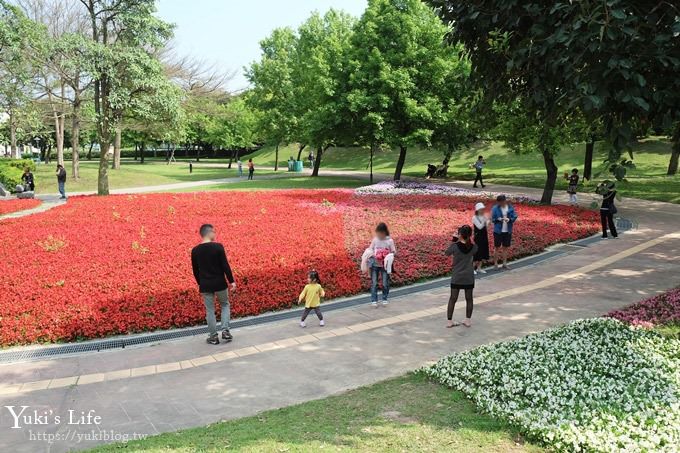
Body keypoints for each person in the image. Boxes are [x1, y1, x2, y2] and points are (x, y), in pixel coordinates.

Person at [191, 224, 237, 345]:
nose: (215, 234)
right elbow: (225, 266)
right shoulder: (218, 247)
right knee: (225, 305)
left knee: (210, 310)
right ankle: (225, 331)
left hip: (205, 285)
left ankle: (213, 337)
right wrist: (231, 281)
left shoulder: (195, 250)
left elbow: (195, 271)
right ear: (210, 233)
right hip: (220, 283)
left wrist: (201, 283)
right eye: (214, 232)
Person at [445, 225, 478, 328]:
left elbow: (446, 253)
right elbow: (476, 253)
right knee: (469, 299)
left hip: (457, 276)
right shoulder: (474, 247)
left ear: (460, 235)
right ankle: (467, 320)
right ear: (470, 235)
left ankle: (449, 322)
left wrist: (454, 240)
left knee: (453, 299)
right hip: (468, 277)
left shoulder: (455, 246)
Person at [368, 222, 396, 307]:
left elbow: (394, 251)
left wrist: (389, 254)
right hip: (375, 264)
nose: (379, 235)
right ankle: (374, 300)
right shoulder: (375, 240)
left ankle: (384, 298)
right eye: (378, 233)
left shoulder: (389, 240)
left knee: (385, 283)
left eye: (381, 233)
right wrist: (373, 254)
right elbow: (370, 249)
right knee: (374, 283)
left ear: (384, 232)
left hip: (385, 265)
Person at [491, 195, 518, 269]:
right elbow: (492, 219)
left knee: (505, 248)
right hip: (498, 231)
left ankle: (504, 263)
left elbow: (515, 216)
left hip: (507, 231)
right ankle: (495, 264)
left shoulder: (510, 207)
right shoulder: (495, 208)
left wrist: (509, 219)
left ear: (504, 201)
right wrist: (498, 219)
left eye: (501, 202)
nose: (500, 204)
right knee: (497, 248)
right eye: (499, 202)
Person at [472, 202, 490, 274]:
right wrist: (484, 220)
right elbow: (479, 227)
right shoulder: (474, 217)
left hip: (484, 236)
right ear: (477, 210)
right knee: (477, 252)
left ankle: (479, 268)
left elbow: (486, 225)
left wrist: (488, 221)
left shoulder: (484, 216)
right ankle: (472, 268)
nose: (482, 210)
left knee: (483, 251)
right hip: (478, 237)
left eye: (483, 209)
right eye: (481, 209)